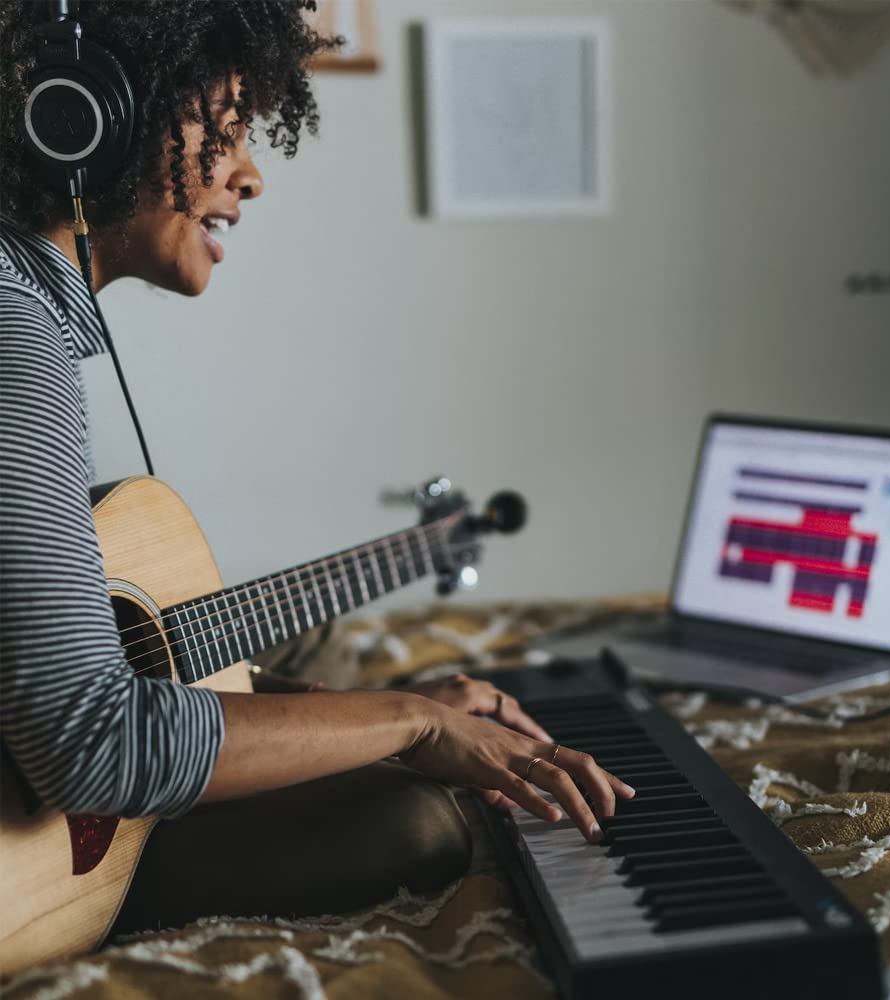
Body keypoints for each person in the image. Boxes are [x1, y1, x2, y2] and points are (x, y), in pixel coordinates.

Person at [0, 1, 634, 933]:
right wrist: (413, 722)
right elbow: (95, 745)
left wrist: (381, 709)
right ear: (88, 123)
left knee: (316, 665)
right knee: (419, 826)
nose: (251, 176)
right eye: (224, 133)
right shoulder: (15, 336)